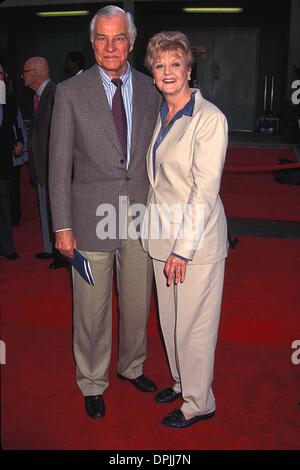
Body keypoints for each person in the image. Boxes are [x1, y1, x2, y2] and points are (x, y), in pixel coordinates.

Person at [49, 6, 161, 420]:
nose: (110, 47)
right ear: (91, 42)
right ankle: (92, 381)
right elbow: (59, 164)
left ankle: (132, 366)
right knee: (90, 308)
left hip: (138, 217)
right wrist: (62, 226)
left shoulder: (152, 90)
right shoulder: (70, 92)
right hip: (88, 220)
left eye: (119, 39)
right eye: (102, 38)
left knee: (137, 302)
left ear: (131, 43)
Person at [142, 31, 228, 428]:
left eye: (175, 63)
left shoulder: (208, 118)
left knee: (194, 325)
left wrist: (183, 249)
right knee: (171, 322)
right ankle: (180, 382)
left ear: (189, 69)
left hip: (194, 244)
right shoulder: (161, 113)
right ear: (153, 74)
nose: (167, 71)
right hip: (162, 237)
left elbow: (204, 190)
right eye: (160, 66)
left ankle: (198, 402)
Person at [23, 56, 68, 269]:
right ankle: (50, 248)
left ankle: (61, 254)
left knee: (55, 211)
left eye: (25, 72)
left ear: (35, 73)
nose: (22, 76)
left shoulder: (54, 94)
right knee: (45, 209)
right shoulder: (42, 96)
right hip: (42, 166)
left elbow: (59, 135)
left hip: (52, 167)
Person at [0, 62, 23, 260]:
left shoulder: (10, 102)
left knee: (5, 209)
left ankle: (7, 248)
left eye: (1, 73)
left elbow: (16, 127)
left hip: (4, 165)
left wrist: (19, 142)